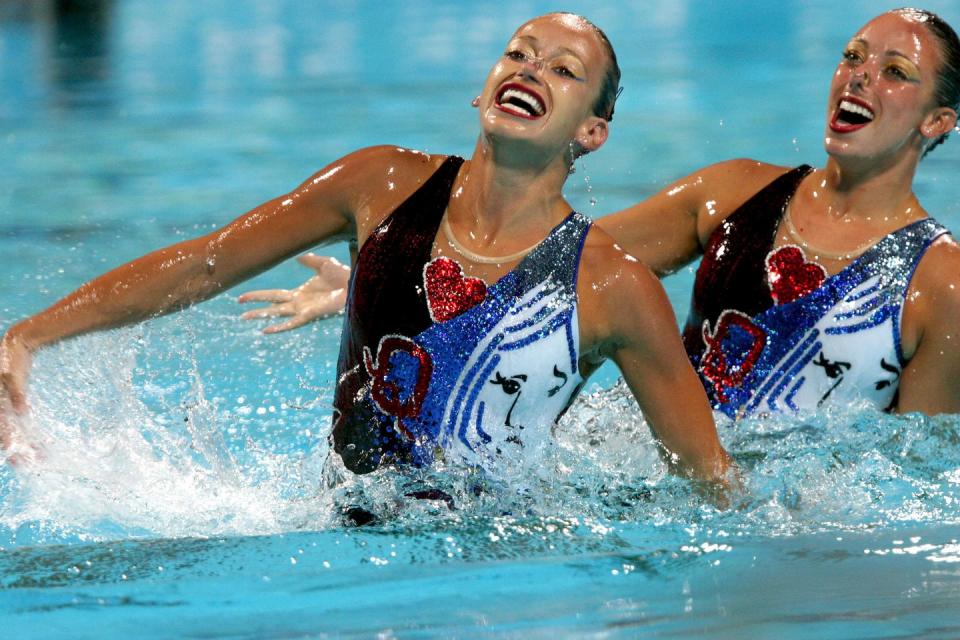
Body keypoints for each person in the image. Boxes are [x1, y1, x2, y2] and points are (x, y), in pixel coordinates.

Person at [0, 14, 732, 487]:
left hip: (496, 563)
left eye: (564, 70)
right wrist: (29, 335)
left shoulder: (612, 285)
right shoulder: (378, 184)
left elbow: (708, 482)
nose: (530, 70)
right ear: (482, 92)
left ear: (593, 131)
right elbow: (207, 261)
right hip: (339, 533)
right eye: (518, 53)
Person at [244, 8, 960, 418]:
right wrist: (380, 273)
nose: (859, 77)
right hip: (649, 473)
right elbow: (545, 271)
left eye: (895, 74)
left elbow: (910, 464)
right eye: (853, 56)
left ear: (938, 122)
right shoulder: (734, 192)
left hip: (780, 518)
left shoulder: (942, 285)